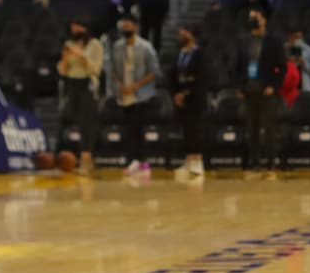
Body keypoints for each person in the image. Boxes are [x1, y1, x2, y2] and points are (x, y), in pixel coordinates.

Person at [107, 12, 159, 178]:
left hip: (141, 94)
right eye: (124, 26)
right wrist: (120, 86)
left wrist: (136, 85)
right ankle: (132, 160)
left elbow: (154, 72)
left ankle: (141, 162)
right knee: (129, 128)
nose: (125, 28)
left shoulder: (145, 47)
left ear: (136, 27)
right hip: (124, 94)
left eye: (129, 25)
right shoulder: (117, 47)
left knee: (139, 128)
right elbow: (113, 70)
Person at [57, 16, 104, 173]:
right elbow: (63, 70)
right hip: (72, 83)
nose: (75, 30)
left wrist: (80, 55)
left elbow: (95, 69)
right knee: (74, 120)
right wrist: (65, 58)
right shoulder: (68, 45)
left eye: (78, 27)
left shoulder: (95, 45)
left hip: (87, 84)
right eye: (73, 28)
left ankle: (86, 159)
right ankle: (78, 157)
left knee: (87, 122)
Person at [238, 9, 282, 175]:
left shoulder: (273, 41)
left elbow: (281, 67)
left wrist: (274, 85)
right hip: (249, 90)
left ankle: (271, 161)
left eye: (257, 17)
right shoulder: (244, 40)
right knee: (252, 128)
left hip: (266, 91)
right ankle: (254, 161)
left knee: (269, 128)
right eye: (251, 17)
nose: (254, 20)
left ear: (264, 20)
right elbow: (238, 65)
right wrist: (239, 86)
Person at [168, 25, 208, 179]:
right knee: (185, 130)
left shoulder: (199, 54)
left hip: (194, 98)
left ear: (192, 34)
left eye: (184, 31)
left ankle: (198, 161)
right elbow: (173, 75)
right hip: (180, 97)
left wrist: (186, 92)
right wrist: (176, 93)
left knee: (195, 129)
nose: (181, 34)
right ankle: (188, 161)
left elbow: (201, 77)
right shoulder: (179, 53)